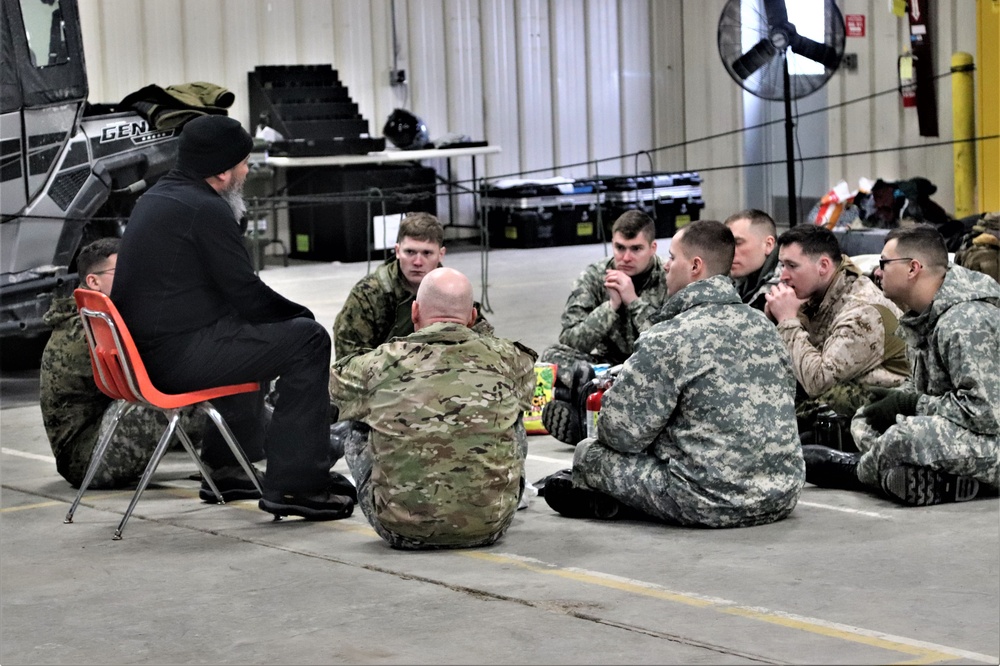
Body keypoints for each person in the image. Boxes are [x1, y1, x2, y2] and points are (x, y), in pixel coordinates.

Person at [111, 114, 354, 520]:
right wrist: (302, 318)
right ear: (223, 171)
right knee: (308, 340)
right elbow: (246, 293)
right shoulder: (204, 210)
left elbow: (234, 300)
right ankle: (297, 486)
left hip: (146, 354)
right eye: (243, 162)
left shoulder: (157, 198)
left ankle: (228, 468)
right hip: (171, 361)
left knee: (256, 332)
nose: (247, 170)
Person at [539, 220, 804, 528]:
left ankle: (615, 501)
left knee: (589, 453)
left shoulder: (669, 335)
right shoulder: (762, 325)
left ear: (695, 266)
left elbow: (619, 434)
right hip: (781, 493)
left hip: (710, 500)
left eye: (672, 257)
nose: (666, 266)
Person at [330, 267, 537, 549]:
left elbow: (335, 390)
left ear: (414, 312)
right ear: (473, 317)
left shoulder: (377, 365)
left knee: (357, 420)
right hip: (490, 526)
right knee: (513, 411)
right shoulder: (512, 360)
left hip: (400, 530)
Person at [803, 225, 999, 505]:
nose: (877, 272)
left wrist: (910, 405)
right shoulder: (923, 317)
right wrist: (896, 401)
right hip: (964, 432)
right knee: (864, 420)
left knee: (906, 437)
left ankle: (858, 472)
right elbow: (919, 387)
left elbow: (986, 413)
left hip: (992, 439)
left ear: (913, 269)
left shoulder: (965, 321)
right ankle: (944, 482)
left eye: (884, 264)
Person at [39, 238, 213, 489]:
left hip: (89, 447)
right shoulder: (92, 326)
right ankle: (231, 467)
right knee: (196, 395)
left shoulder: (88, 314)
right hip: (89, 460)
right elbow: (158, 373)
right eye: (123, 272)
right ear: (93, 281)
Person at [765, 225, 910, 442]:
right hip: (842, 399)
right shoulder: (815, 293)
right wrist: (771, 321)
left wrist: (787, 321)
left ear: (823, 265)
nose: (783, 276)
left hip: (881, 410)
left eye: (792, 266)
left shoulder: (862, 310)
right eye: (782, 265)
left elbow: (818, 382)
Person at [539, 210, 669, 445]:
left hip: (649, 368)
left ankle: (587, 410)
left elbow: (669, 345)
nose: (626, 257)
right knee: (551, 356)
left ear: (653, 248)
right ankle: (601, 408)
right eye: (620, 248)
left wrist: (633, 302)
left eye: (636, 249)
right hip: (608, 368)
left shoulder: (668, 278)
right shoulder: (595, 276)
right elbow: (570, 338)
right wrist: (610, 307)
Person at [333, 212, 493, 360]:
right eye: (410, 252)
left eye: (427, 253)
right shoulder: (369, 295)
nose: (417, 262)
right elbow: (349, 360)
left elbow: (485, 348)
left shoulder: (452, 289)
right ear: (397, 251)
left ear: (441, 254)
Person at [724, 208, 780, 311]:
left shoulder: (784, 288)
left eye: (738, 243)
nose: (729, 252)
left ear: (768, 245)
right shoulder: (731, 283)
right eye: (726, 244)